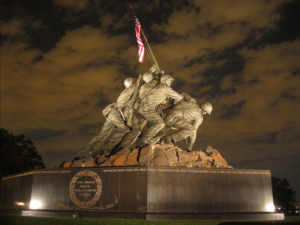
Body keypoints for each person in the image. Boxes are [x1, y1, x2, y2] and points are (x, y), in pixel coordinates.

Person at [79, 78, 135, 157]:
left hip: (111, 113)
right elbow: (136, 87)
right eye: (133, 83)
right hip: (115, 113)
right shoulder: (129, 90)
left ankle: (86, 150)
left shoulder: (126, 91)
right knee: (125, 130)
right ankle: (106, 148)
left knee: (103, 134)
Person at [137, 74, 183, 147]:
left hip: (146, 107)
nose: (170, 82)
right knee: (160, 123)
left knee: (155, 124)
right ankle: (143, 140)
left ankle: (148, 140)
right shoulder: (165, 88)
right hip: (146, 108)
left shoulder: (159, 87)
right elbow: (178, 97)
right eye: (169, 80)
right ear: (165, 81)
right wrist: (181, 97)